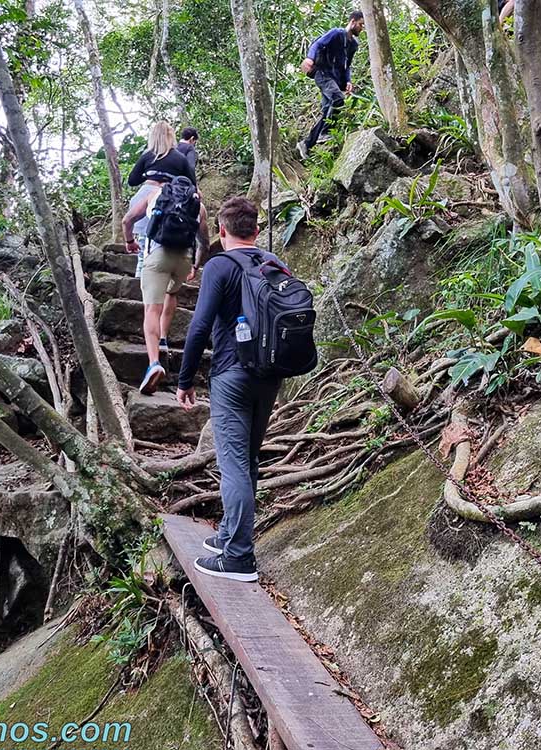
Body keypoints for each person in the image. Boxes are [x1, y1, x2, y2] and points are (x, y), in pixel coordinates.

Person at [177, 197, 282, 583]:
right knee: (247, 461)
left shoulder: (219, 265)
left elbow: (200, 326)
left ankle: (238, 558)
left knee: (233, 464)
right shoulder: (273, 263)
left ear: (221, 231)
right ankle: (228, 535)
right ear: (255, 230)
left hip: (231, 376)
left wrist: (185, 379)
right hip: (270, 377)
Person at [122, 122, 208, 393]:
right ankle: (163, 338)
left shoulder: (147, 156)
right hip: (182, 253)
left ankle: (153, 362)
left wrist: (128, 241)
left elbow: (132, 180)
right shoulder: (182, 158)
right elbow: (203, 236)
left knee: (151, 302)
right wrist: (196, 264)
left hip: (151, 212)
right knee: (171, 293)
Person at [297, 11, 365, 160]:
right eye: (360, 24)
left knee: (328, 112)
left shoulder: (353, 44)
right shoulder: (336, 33)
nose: (362, 28)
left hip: (335, 78)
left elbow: (347, 66)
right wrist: (309, 58)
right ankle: (325, 133)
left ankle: (306, 144)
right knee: (337, 99)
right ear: (352, 22)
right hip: (322, 74)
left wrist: (348, 81)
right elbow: (318, 44)